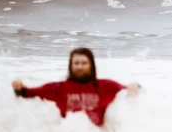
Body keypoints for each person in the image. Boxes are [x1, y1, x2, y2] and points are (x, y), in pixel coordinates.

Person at [11, 47, 140, 127]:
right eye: (76, 63)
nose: (79, 66)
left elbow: (132, 92)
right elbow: (28, 93)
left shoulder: (107, 86)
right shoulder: (57, 88)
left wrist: (135, 87)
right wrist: (19, 88)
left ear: (92, 65)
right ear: (70, 66)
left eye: (84, 63)